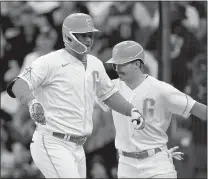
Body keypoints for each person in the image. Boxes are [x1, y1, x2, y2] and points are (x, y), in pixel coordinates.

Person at [6, 13, 145, 178]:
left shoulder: (95, 64)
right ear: (68, 36)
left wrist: (131, 110)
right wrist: (32, 102)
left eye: (90, 35)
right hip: (53, 141)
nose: (88, 40)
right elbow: (17, 85)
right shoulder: (49, 62)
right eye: (82, 35)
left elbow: (109, 95)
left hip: (78, 146)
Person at [105, 40, 207, 178]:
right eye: (115, 64)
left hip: (156, 165)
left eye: (122, 64)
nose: (117, 68)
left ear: (137, 64)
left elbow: (201, 111)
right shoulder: (110, 88)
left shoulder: (161, 90)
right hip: (126, 166)